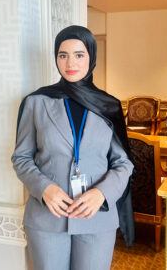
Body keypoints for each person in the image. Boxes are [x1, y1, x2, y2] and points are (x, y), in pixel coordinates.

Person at [11, 25, 134, 270]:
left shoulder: (108, 106)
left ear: (91, 57)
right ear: (56, 58)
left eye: (79, 54)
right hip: (48, 217)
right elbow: (22, 158)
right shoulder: (36, 102)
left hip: (96, 216)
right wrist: (45, 189)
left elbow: (123, 163)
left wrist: (101, 194)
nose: (70, 63)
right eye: (63, 55)